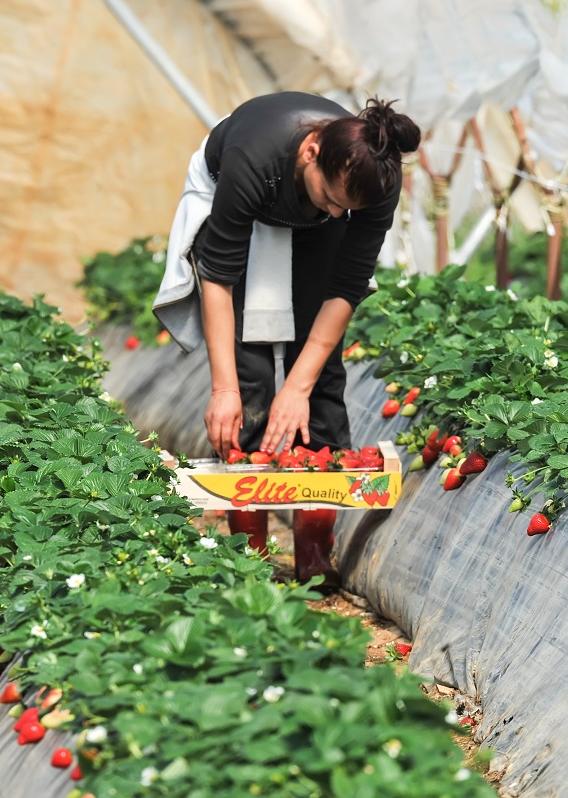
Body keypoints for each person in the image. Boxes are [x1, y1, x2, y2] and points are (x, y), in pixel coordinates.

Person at [153, 92, 421, 585]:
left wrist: (297, 387)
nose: (339, 212)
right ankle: (248, 555)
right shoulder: (253, 155)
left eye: (347, 208)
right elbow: (220, 275)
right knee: (248, 375)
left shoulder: (373, 178)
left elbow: (345, 286)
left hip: (304, 210)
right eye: (330, 199)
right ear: (311, 151)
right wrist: (224, 390)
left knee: (320, 380)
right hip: (248, 194)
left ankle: (315, 562)